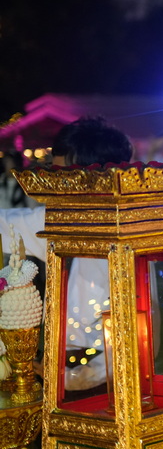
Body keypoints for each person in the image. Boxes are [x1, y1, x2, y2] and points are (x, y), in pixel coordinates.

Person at [0, 117, 134, 392]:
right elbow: (7, 224)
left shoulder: (130, 230)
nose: (53, 181)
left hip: (111, 380)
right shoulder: (55, 219)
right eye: (53, 170)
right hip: (57, 366)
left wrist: (76, 378)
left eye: (62, 174)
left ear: (91, 175)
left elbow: (140, 333)